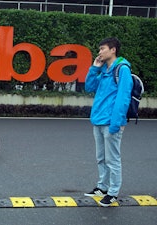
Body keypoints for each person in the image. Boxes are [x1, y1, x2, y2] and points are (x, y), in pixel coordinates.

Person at [84, 37, 133, 207]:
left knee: (112, 159)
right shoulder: (104, 69)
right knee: (101, 157)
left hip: (111, 121)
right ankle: (102, 187)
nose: (100, 52)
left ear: (113, 50)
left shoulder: (122, 69)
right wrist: (94, 68)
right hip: (98, 120)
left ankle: (113, 192)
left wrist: (116, 122)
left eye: (102, 49)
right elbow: (89, 87)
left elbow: (123, 98)